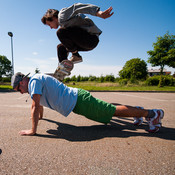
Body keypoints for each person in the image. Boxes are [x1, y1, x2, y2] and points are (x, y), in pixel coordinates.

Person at [11, 72, 164, 136]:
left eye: (19, 89)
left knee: (112, 112)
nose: (20, 92)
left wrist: (33, 130)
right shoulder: (34, 85)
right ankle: (137, 111)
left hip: (79, 100)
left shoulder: (35, 81)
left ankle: (152, 114)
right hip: (77, 101)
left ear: (23, 81)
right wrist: (42, 118)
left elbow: (34, 106)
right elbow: (40, 106)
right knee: (110, 110)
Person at [41, 3, 114, 66]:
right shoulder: (63, 25)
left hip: (91, 39)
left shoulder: (62, 15)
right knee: (61, 47)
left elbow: (77, 7)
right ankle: (63, 69)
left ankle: (76, 55)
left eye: (49, 24)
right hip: (84, 43)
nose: (50, 27)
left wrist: (98, 13)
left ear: (53, 17)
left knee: (61, 32)